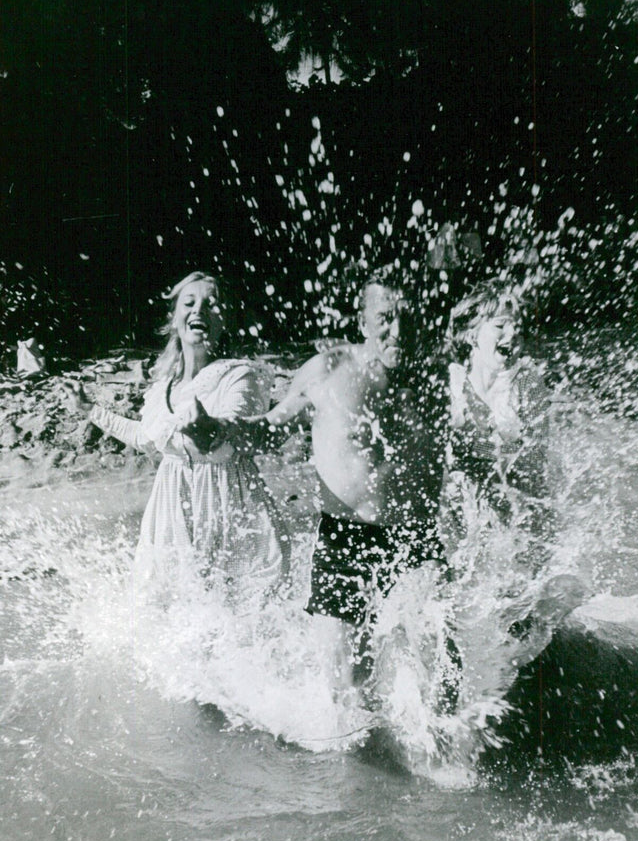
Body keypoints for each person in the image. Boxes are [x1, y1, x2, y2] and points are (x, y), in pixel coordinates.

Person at [181, 273, 447, 679]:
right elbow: (268, 429)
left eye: (409, 318)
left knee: (442, 675)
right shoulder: (329, 371)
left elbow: (468, 454)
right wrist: (217, 428)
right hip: (347, 542)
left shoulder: (438, 379)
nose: (399, 331)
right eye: (386, 318)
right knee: (347, 689)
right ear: (362, 323)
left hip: (417, 540)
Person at [69, 271, 287, 607]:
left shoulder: (240, 375)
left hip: (225, 500)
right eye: (189, 303)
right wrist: (90, 410)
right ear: (175, 319)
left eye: (211, 305)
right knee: (173, 612)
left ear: (224, 321)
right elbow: (146, 437)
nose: (199, 310)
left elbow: (237, 435)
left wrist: (208, 429)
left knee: (234, 613)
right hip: (171, 502)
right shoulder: (164, 385)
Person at [441, 279, 551, 565]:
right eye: (501, 325)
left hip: (519, 511)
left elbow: (535, 462)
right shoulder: (450, 382)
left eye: (517, 328)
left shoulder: (527, 385)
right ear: (471, 334)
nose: (512, 334)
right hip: (463, 508)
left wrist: (488, 445)